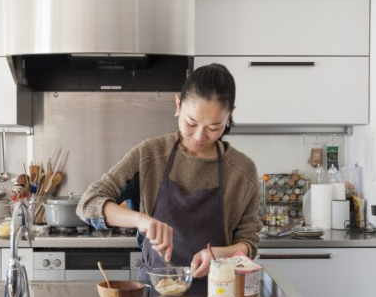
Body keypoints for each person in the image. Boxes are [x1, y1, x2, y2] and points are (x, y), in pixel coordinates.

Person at [77, 63, 261, 279]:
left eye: (214, 128)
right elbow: (88, 203)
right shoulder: (150, 155)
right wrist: (142, 220)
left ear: (230, 116)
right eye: (191, 123)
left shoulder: (242, 171)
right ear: (178, 105)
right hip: (154, 292)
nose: (200, 136)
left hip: (217, 294)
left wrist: (220, 255)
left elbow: (249, 243)